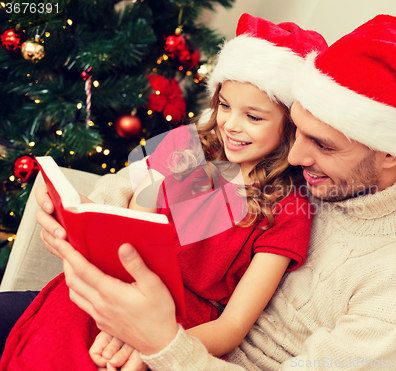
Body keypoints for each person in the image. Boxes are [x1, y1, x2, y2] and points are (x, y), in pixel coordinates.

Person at [6, 14, 396, 371]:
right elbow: (145, 189)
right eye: (299, 133)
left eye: (322, 144)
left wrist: (159, 342)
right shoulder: (286, 171)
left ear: (391, 152)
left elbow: (224, 321)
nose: (297, 158)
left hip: (182, 342)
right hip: (117, 308)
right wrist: (84, 213)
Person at [0, 14, 328, 371]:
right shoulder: (186, 147)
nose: (231, 125)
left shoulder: (288, 210)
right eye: (225, 106)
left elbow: (231, 327)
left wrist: (148, 342)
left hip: (180, 330)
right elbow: (131, 225)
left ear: (290, 128)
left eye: (254, 117)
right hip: (112, 293)